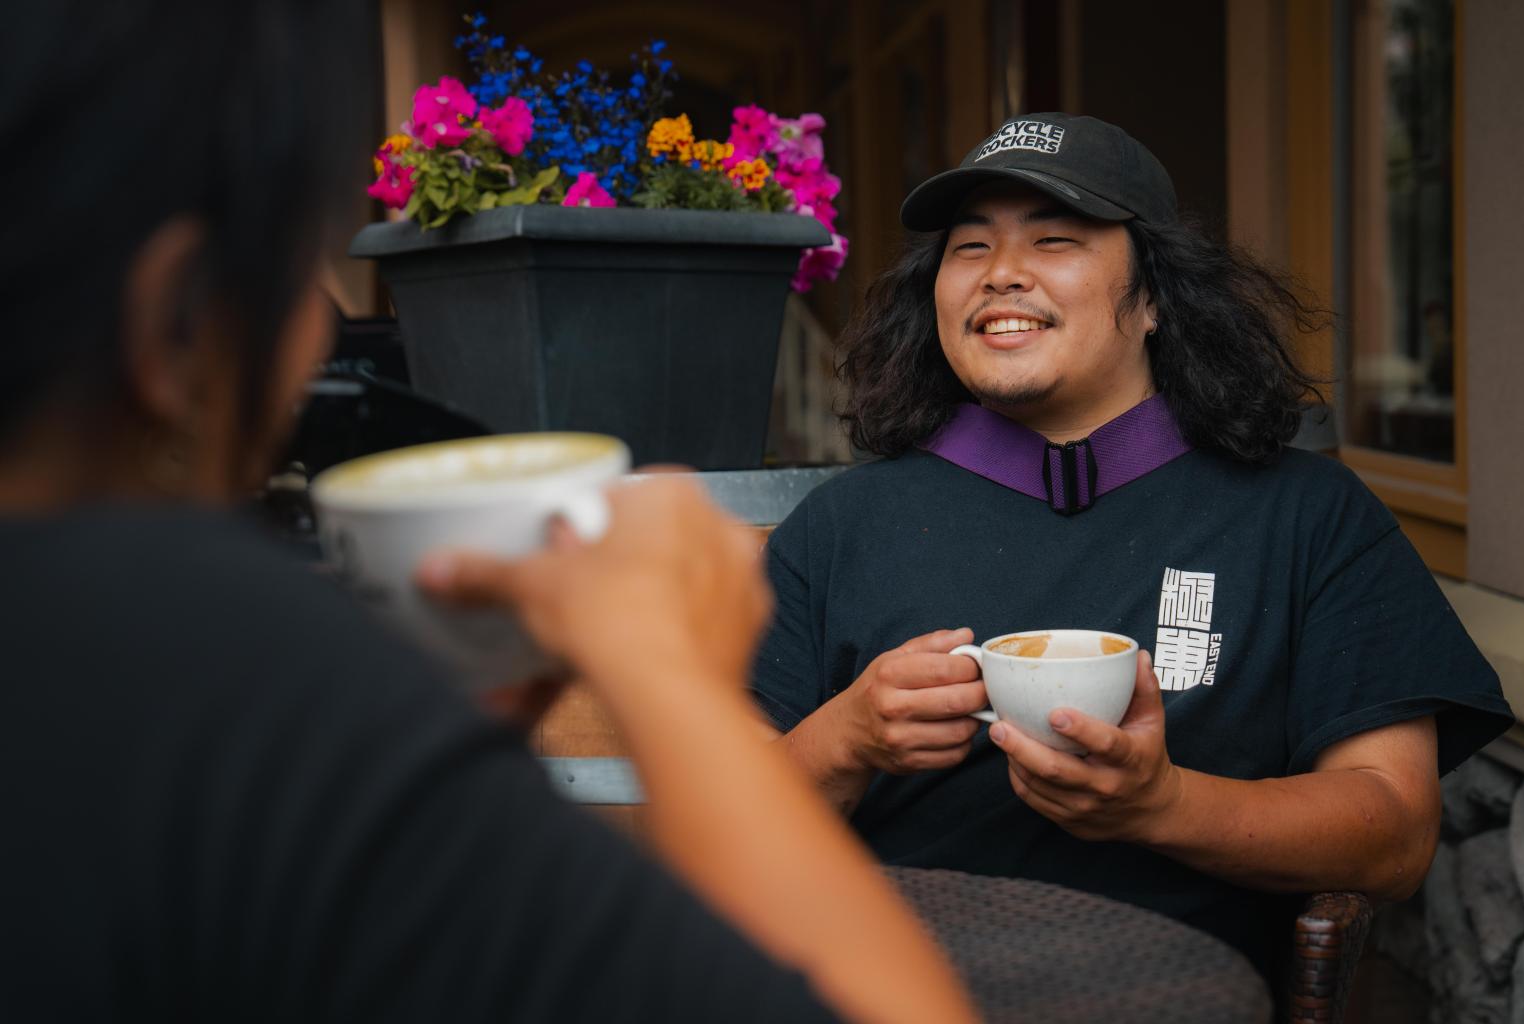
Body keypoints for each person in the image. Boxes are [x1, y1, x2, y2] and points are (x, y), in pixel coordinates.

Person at [0, 3, 977, 1021]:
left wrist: (451, 771)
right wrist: (666, 672)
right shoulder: (215, 657)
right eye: (304, 275)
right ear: (184, 321)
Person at [752, 112, 1513, 984]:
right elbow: (711, 831)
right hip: (879, 992)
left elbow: (1396, 834)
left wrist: (1164, 806)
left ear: (1154, 297)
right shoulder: (841, 525)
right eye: (969, 248)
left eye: (1054, 238)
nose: (1002, 273)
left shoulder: (1305, 514)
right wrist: (844, 739)